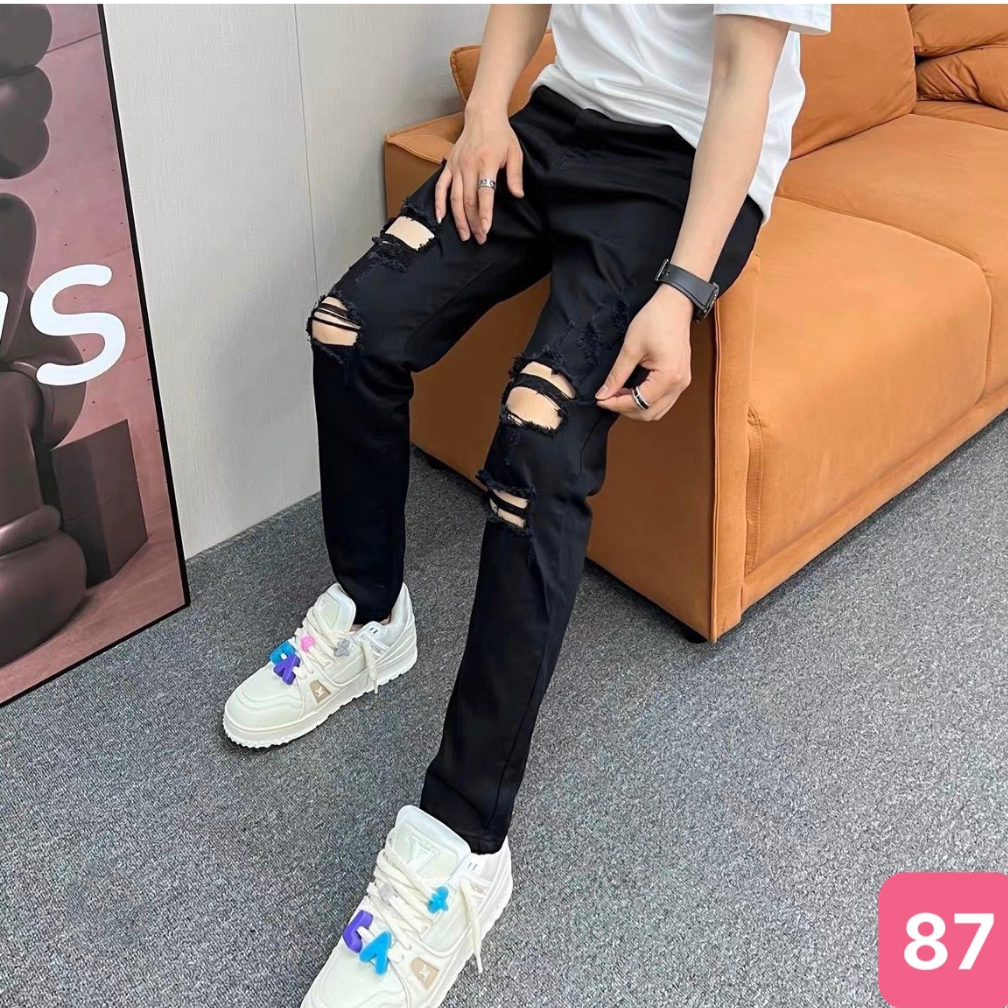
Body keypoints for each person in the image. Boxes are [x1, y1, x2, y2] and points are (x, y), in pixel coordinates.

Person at [224, 4, 830, 1005]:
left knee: (537, 443)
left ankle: (463, 840)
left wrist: (683, 290)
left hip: (683, 170)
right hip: (555, 124)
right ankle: (372, 615)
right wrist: (486, 114)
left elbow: (741, 80)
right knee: (350, 329)